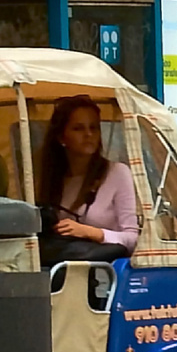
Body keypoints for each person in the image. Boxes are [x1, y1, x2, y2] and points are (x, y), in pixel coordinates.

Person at [36, 94, 138, 257]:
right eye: (78, 128)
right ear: (61, 137)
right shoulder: (53, 178)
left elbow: (134, 239)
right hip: (61, 266)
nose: (88, 134)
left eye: (94, 127)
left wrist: (92, 233)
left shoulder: (117, 173)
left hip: (106, 270)